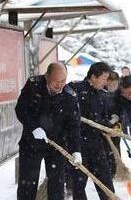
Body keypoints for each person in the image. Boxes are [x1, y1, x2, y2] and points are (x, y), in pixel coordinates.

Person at [15, 62, 82, 200]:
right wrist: (34, 128)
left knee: (57, 186)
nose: (59, 85)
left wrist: (76, 150)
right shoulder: (34, 85)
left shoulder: (70, 96)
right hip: (31, 143)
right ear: (46, 76)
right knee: (27, 184)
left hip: (56, 145)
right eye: (55, 81)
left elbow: (74, 125)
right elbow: (21, 109)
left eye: (63, 81)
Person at [68, 62, 115, 200]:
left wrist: (108, 128)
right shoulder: (74, 89)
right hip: (77, 145)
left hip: (96, 144)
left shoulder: (102, 95)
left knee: (105, 181)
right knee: (79, 183)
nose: (106, 82)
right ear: (93, 76)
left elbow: (103, 118)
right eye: (104, 78)